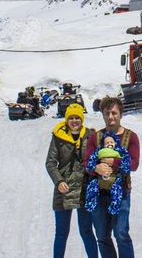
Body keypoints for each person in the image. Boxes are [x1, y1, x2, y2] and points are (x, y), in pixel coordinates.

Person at [84, 96, 140, 258]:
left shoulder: (131, 137)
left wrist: (113, 163)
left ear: (120, 114)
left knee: (121, 233)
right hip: (98, 193)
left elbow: (134, 163)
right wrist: (96, 168)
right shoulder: (96, 137)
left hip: (121, 192)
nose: (110, 117)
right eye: (107, 113)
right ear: (102, 115)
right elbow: (87, 162)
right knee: (102, 236)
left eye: (114, 113)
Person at [46, 103, 98, 258]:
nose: (75, 121)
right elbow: (50, 162)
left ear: (82, 119)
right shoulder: (58, 136)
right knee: (61, 232)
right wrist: (58, 180)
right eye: (71, 118)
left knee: (87, 231)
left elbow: (97, 158)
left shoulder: (90, 135)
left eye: (78, 118)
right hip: (64, 189)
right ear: (67, 120)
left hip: (84, 188)